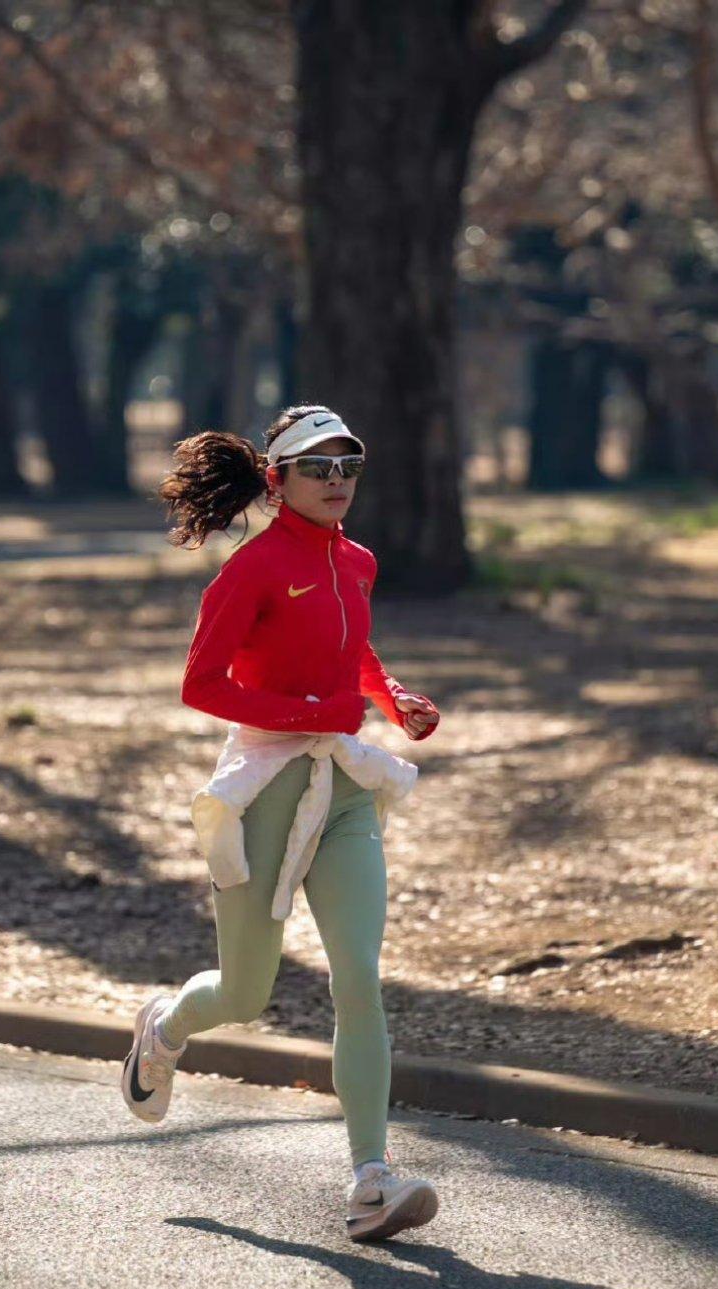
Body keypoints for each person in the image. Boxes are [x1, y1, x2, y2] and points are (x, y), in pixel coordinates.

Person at [121, 403, 442, 1242]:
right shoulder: (251, 570)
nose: (337, 481)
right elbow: (202, 685)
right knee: (246, 993)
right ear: (279, 479)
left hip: (340, 790)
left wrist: (388, 696)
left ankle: (370, 1181)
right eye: (318, 466)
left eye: (348, 465)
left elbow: (357, 656)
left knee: (358, 980)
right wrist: (307, 708)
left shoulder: (360, 562)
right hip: (263, 786)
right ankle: (163, 1028)